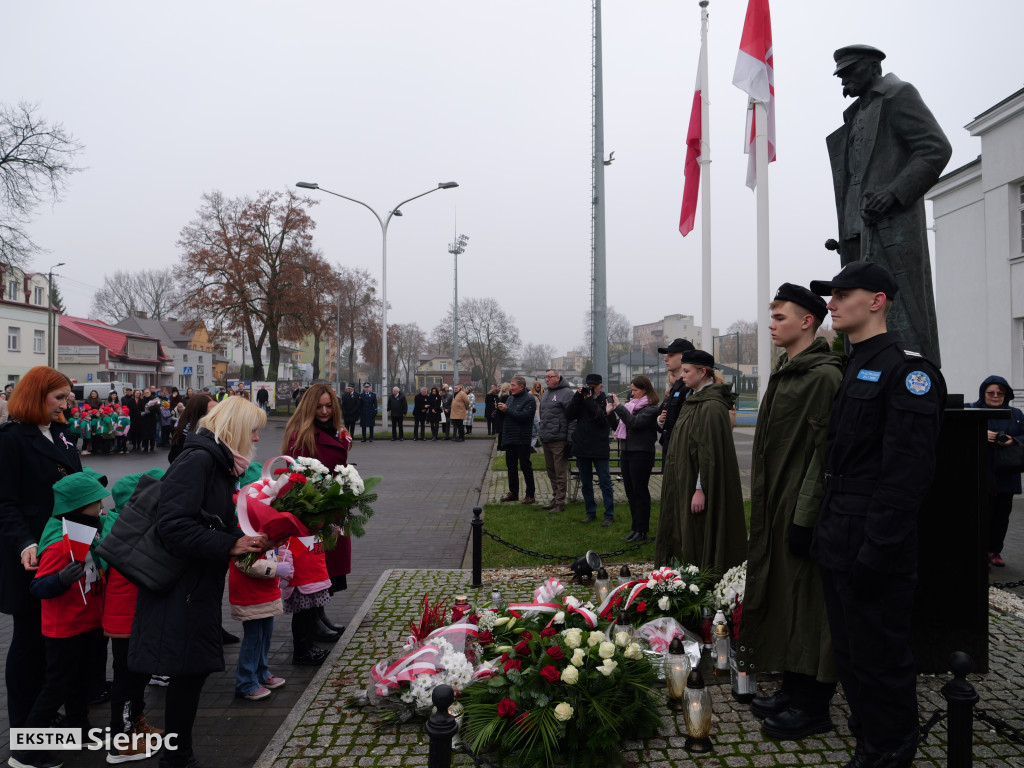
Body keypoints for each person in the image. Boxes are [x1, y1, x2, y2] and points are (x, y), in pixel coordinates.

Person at [809, 261, 945, 768]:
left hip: (873, 537)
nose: (832, 303)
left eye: (843, 294)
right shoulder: (856, 363)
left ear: (877, 301)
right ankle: (869, 740)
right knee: (850, 652)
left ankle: (889, 750)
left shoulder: (907, 372)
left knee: (880, 655)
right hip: (839, 529)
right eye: (832, 295)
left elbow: (906, 476)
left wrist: (878, 549)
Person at [128, 397, 269, 768]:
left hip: (193, 586)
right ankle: (177, 759)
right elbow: (173, 525)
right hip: (179, 588)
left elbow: (210, 518)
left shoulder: (217, 462)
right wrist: (231, 542)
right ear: (236, 429)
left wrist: (247, 536)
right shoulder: (201, 460)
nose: (256, 438)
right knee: (185, 673)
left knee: (190, 673)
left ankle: (179, 756)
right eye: (253, 430)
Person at [736, 284, 843, 740]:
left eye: (780, 316)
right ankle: (794, 689)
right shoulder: (788, 370)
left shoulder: (823, 376)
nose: (771, 323)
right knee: (787, 597)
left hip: (803, 511)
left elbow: (825, 457)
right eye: (771, 315)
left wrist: (805, 515)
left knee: (811, 603)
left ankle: (815, 705)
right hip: (777, 506)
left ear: (807, 322)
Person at [826, 44, 951, 366]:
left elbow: (935, 149)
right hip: (856, 228)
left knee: (900, 305)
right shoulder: (855, 114)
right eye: (841, 76)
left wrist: (894, 193)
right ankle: (865, 370)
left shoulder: (898, 95)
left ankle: (910, 374)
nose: (844, 83)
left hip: (890, 223)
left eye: (850, 73)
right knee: (857, 307)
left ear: (872, 68)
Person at [0, 367, 80, 756]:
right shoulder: (12, 441)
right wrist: (25, 542)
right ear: (37, 397)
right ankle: (25, 739)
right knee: (30, 644)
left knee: (57, 647)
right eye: (60, 398)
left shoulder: (63, 435)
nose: (68, 404)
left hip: (67, 551)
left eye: (68, 397)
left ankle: (44, 719)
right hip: (31, 557)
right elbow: (5, 503)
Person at [21, 473, 109, 768]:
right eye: (95, 500)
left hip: (87, 623)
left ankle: (78, 729)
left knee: (79, 682)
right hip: (64, 630)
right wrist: (59, 579)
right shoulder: (60, 544)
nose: (101, 505)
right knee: (56, 687)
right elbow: (37, 587)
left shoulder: (90, 533)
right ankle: (26, 753)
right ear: (80, 505)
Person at [654, 350, 746, 574]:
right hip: (684, 478)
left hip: (697, 485)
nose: (682, 376)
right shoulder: (694, 400)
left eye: (687, 371)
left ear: (703, 372)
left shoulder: (712, 406)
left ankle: (699, 578)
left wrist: (700, 488)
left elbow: (709, 453)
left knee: (698, 531)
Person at [101, 470, 166, 763]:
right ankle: (121, 742)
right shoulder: (125, 536)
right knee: (127, 682)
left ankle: (136, 726)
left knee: (137, 678)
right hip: (125, 622)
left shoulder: (125, 528)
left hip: (133, 619)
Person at [281, 382, 352, 640]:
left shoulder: (335, 431)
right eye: (319, 406)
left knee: (327, 569)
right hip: (314, 511)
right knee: (313, 570)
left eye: (328, 405)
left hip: (333, 507)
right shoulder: (301, 434)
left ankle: (320, 617)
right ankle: (312, 625)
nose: (324, 411)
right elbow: (298, 475)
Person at [972, 376, 1024, 568]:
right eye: (991, 393)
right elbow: (955, 431)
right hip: (981, 473)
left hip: (1007, 474)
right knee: (982, 515)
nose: (995, 397)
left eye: (1000, 393)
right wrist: (979, 433)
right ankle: (979, 552)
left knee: (1002, 515)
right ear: (983, 393)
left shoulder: (1015, 413)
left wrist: (1012, 440)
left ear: (1006, 395)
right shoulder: (972, 411)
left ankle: (995, 551)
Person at [228, 541, 289, 700]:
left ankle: (261, 672)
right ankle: (246, 682)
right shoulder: (243, 530)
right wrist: (276, 569)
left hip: (266, 591)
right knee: (254, 638)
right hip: (250, 593)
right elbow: (244, 561)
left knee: (265, 635)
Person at [608, 375, 660, 542]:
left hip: (642, 453)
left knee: (640, 492)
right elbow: (618, 426)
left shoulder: (651, 408)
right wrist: (611, 412)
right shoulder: (631, 406)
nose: (632, 393)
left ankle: (642, 530)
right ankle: (635, 528)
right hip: (627, 452)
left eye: (635, 390)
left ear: (645, 390)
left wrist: (619, 407)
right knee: (631, 492)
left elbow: (634, 423)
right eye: (631, 389)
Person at [567, 374, 619, 525]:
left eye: (593, 386)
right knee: (586, 483)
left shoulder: (606, 400)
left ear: (600, 387)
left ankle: (609, 514)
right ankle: (590, 512)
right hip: (582, 446)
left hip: (599, 447)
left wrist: (589, 400)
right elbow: (568, 415)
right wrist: (577, 397)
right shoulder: (582, 399)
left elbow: (602, 420)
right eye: (588, 385)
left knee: (605, 482)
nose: (590, 389)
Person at [538, 370, 575, 513]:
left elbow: (572, 418)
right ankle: (555, 498)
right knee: (551, 471)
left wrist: (569, 439)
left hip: (559, 439)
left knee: (560, 472)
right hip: (546, 437)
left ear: (558, 378)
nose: (546, 379)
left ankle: (560, 502)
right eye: (545, 377)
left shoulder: (566, 393)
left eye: (550, 377)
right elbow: (543, 415)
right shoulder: (546, 393)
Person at [498, 376, 536, 504]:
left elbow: (524, 417)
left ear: (521, 386)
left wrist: (507, 410)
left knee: (525, 466)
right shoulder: (510, 398)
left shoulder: (530, 399)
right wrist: (501, 410)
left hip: (522, 439)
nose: (511, 388)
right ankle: (513, 492)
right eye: (511, 385)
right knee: (511, 466)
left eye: (513, 385)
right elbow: (508, 416)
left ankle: (530, 495)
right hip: (509, 438)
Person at [655, 338, 696, 459]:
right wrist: (660, 421)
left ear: (684, 357)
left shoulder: (689, 388)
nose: (666, 359)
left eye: (671, 355)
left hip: (681, 453)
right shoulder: (677, 387)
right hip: (670, 449)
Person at [167, 393, 216, 464]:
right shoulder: (190, 431)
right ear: (201, 411)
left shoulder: (185, 425)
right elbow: (174, 457)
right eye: (212, 410)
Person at [493, 383, 510, 451]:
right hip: (503, 416)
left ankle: (499, 446)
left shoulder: (499, 396)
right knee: (504, 432)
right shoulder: (506, 396)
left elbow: (496, 405)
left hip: (498, 416)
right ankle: (503, 446)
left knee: (501, 432)